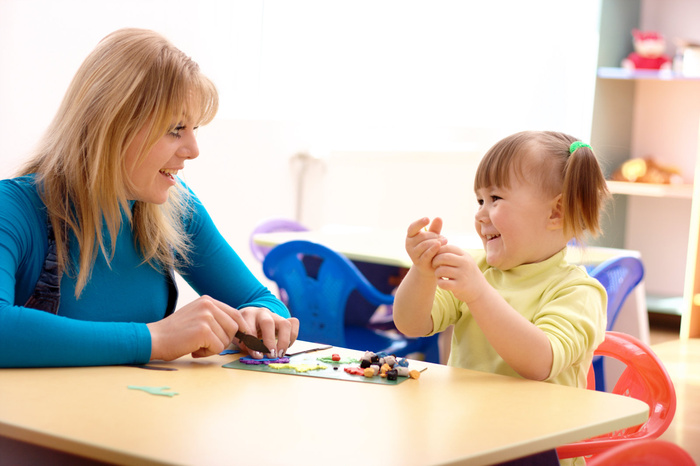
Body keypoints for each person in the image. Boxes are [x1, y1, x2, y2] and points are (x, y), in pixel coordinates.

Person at [0, 28, 299, 367]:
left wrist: (262, 317)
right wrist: (156, 338)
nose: (193, 150)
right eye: (175, 130)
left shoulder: (176, 208)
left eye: (194, 130)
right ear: (113, 125)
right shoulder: (15, 209)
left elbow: (259, 300)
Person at [393, 130, 610, 389]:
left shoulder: (579, 292)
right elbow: (410, 324)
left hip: (545, 428)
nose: (481, 214)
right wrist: (422, 272)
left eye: (495, 198)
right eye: (480, 200)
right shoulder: (475, 270)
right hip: (469, 423)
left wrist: (478, 294)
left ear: (556, 212)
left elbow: (540, 363)